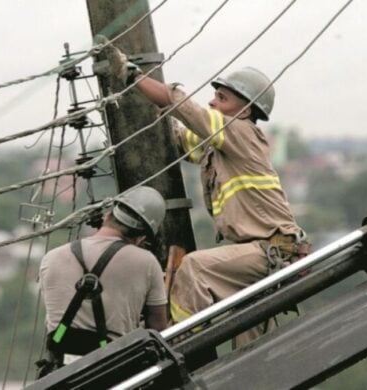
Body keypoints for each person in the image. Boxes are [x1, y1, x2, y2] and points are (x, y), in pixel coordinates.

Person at [100, 37, 310, 348]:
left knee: (194, 268)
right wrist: (156, 121)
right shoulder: (220, 147)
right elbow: (184, 138)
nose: (213, 102)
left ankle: (180, 343)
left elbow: (181, 105)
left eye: (222, 98)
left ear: (246, 110)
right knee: (248, 337)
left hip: (268, 251)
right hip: (255, 255)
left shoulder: (241, 133)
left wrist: (132, 75)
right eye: (214, 97)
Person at [37, 186, 168, 374]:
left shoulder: (52, 257)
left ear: (107, 216)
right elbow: (158, 329)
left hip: (61, 371)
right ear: (141, 238)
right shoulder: (146, 262)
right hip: (113, 368)